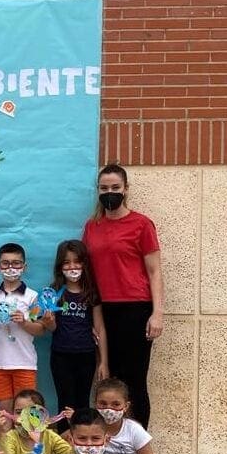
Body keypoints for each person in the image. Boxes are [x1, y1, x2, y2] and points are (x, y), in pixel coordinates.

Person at [83, 164, 164, 428]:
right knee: (109, 379)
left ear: (126, 189)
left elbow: (154, 271)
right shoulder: (92, 226)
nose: (110, 193)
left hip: (136, 308)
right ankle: (112, 441)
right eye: (104, 188)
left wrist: (157, 312)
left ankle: (139, 443)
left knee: (135, 380)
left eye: (115, 188)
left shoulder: (141, 224)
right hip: (104, 310)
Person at [43, 240, 108, 433]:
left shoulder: (91, 292)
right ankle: (64, 447)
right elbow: (52, 328)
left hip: (86, 355)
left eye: (76, 261)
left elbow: (100, 328)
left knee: (82, 403)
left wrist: (103, 361)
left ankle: (83, 440)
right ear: (59, 266)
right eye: (66, 262)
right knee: (65, 402)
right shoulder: (54, 292)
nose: (72, 267)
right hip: (61, 355)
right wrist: (48, 321)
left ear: (84, 263)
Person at [0, 243, 45, 413]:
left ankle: (27, 440)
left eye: (16, 263)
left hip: (25, 363)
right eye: (5, 263)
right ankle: (5, 440)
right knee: (4, 411)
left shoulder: (32, 297)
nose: (11, 268)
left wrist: (24, 322)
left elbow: (40, 329)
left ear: (24, 266)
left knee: (27, 410)